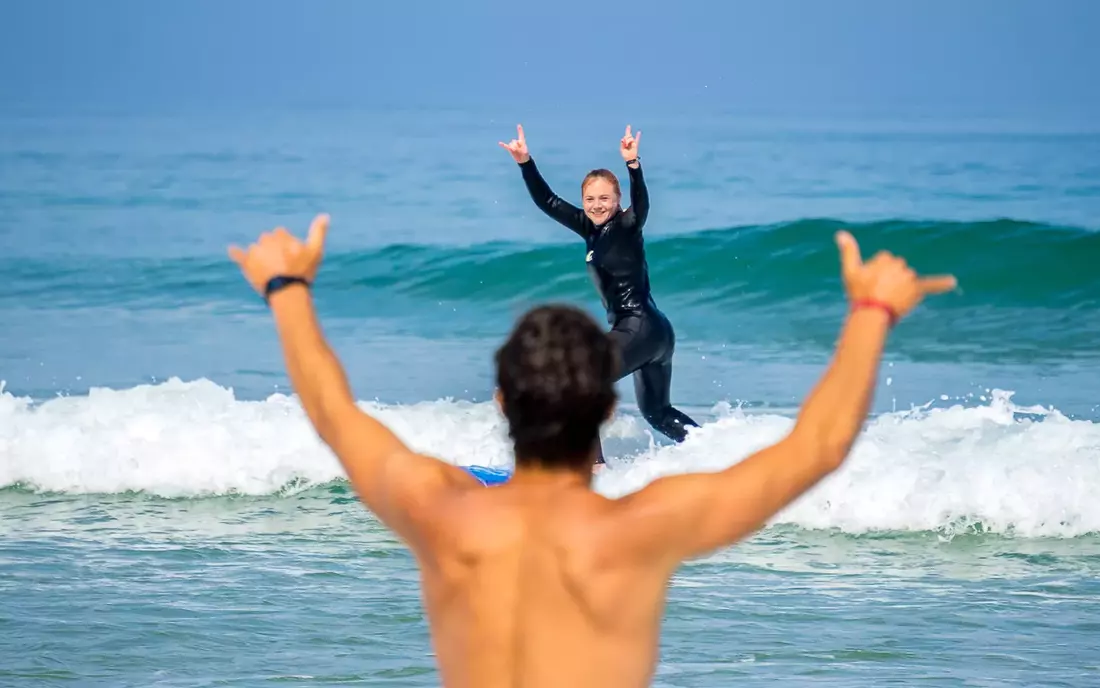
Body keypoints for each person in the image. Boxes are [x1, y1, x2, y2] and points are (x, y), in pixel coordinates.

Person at [228, 214, 955, 688]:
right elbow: (819, 446)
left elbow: (331, 412)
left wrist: (287, 288)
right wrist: (871, 311)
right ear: (609, 407)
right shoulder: (638, 530)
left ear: (505, 402)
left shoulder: (438, 508)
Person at [499, 124, 698, 459]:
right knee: (657, 413)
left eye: (604, 198)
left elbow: (642, 203)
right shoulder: (589, 229)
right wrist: (525, 163)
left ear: (618, 201)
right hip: (653, 333)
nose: (596, 205)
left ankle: (595, 473)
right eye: (589, 199)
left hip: (639, 327)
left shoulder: (627, 225)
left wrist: (633, 166)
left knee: (577, 386)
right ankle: (720, 454)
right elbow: (547, 201)